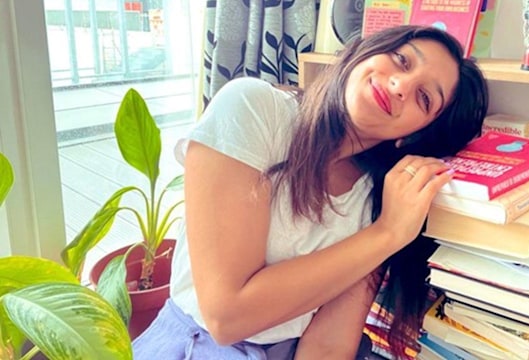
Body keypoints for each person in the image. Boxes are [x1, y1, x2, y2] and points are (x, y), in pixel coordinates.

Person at [133, 25, 488, 359]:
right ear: (365, 53)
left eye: (424, 98)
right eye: (402, 60)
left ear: (411, 136)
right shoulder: (254, 109)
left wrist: (390, 229)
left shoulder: (375, 199)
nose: (400, 85)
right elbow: (226, 317)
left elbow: (328, 346)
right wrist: (389, 234)